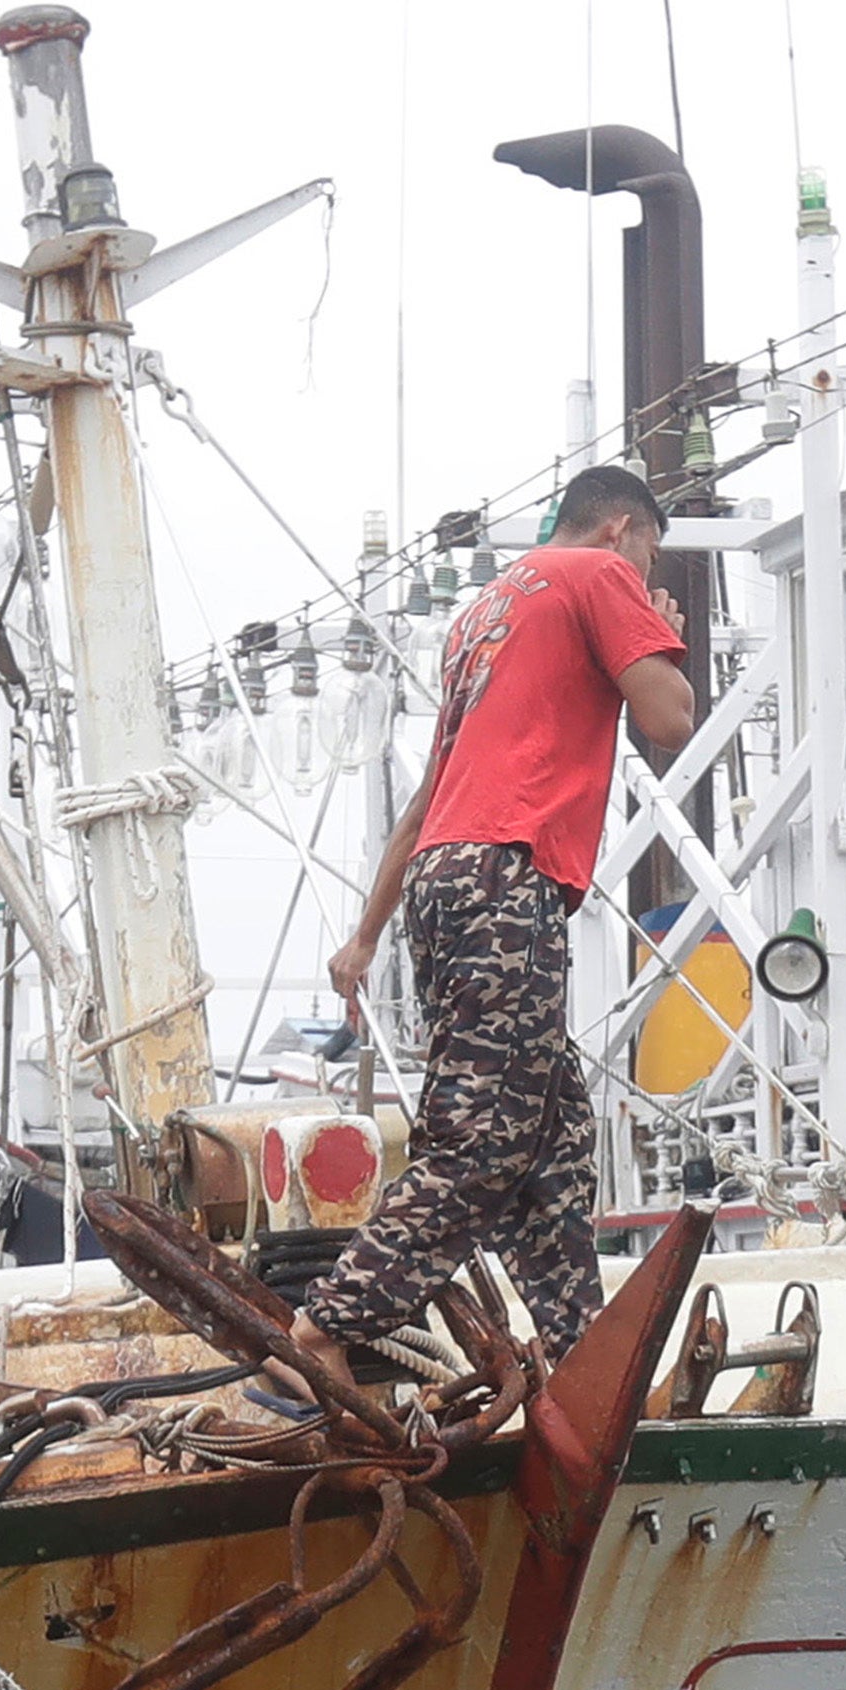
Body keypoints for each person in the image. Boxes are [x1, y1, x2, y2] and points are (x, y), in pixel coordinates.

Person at [280, 463, 697, 1415]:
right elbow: (669, 720)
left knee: (548, 1140)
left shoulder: (487, 612)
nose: (645, 570)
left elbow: (433, 793)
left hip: (446, 879)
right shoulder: (600, 576)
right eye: (650, 553)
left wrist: (364, 935)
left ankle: (584, 1370)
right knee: (481, 1142)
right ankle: (325, 1327)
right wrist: (660, 631)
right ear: (625, 531)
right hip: (507, 881)